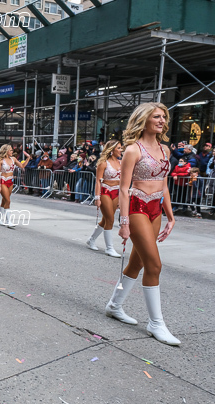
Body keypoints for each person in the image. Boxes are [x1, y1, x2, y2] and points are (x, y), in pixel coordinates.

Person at [105, 102, 180, 346]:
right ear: (144, 119)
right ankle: (156, 323)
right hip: (137, 208)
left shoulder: (165, 149)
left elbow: (164, 186)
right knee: (154, 265)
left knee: (137, 263)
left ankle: (114, 305)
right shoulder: (132, 150)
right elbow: (124, 189)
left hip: (156, 209)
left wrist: (170, 216)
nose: (162, 120)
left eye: (164, 117)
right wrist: (124, 222)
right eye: (156, 116)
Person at [87, 140, 122, 257]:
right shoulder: (103, 163)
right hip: (105, 191)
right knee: (110, 219)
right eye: (119, 148)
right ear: (112, 150)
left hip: (116, 192)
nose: (121, 150)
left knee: (106, 219)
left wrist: (121, 197)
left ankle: (91, 239)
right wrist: (97, 198)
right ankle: (109, 248)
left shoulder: (121, 162)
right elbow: (98, 181)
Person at [0, 144, 30, 226]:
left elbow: (22, 166)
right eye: (10, 150)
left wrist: (28, 158)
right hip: (3, 180)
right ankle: (9, 221)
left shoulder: (13, 159)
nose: (12, 151)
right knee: (8, 200)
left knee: (4, 200)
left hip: (10, 180)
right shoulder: (0, 160)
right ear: (6, 151)